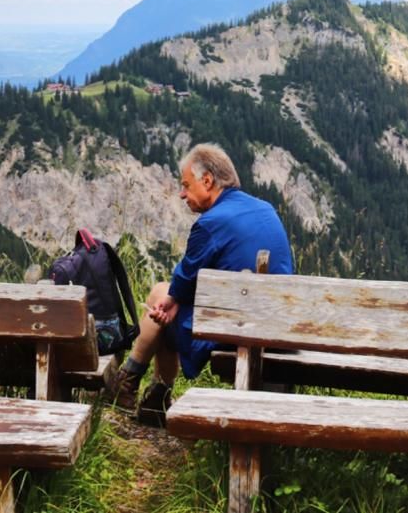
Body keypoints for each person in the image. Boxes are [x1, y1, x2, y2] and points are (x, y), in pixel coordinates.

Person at [105, 143, 293, 425]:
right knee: (170, 305)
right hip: (278, 328)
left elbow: (184, 278)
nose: (182, 194)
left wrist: (173, 299)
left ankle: (128, 384)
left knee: (161, 295)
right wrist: (177, 298)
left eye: (186, 185)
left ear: (207, 181)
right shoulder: (265, 209)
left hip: (237, 334)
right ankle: (154, 396)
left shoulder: (211, 222)